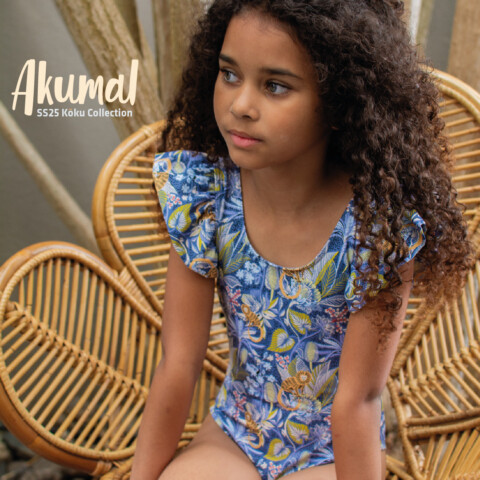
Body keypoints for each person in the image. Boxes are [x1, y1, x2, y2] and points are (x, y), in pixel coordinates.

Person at [131, 1, 474, 479]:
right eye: (229, 74)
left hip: (330, 451)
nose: (240, 105)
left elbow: (358, 400)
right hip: (237, 431)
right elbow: (178, 362)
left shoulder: (376, 233)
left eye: (275, 86)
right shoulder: (204, 198)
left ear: (338, 102)